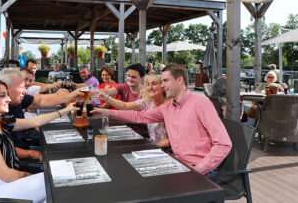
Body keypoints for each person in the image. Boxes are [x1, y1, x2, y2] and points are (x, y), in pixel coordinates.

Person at [93, 64, 232, 175]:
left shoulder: (201, 103)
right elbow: (139, 116)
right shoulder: (168, 106)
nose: (162, 85)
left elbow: (223, 144)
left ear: (179, 80)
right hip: (177, 163)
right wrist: (106, 112)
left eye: (165, 81)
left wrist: (198, 169)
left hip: (199, 170)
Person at [0, 79, 78, 202]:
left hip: (11, 184)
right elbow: (6, 175)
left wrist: (66, 110)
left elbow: (35, 121)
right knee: (59, 180)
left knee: (59, 183)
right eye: (3, 96)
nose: (9, 100)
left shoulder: (1, 121)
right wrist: (29, 176)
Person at [0, 68, 82, 161]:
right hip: (19, 160)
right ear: (6, 88)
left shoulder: (15, 99)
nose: (25, 91)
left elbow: (40, 101)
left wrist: (70, 96)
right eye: (21, 87)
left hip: (25, 146)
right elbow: (34, 122)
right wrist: (35, 154)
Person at [99, 73, 170, 147]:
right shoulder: (147, 102)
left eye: (154, 84)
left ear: (163, 86)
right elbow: (125, 106)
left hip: (167, 149)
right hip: (153, 146)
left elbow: (173, 140)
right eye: (148, 84)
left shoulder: (170, 105)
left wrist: (152, 146)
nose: (150, 87)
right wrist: (105, 98)